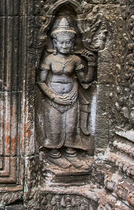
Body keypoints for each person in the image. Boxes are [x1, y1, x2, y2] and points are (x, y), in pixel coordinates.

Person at [38, 16, 95, 167]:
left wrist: (93, 64)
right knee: (55, 129)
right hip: (53, 99)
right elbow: (41, 81)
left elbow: (85, 81)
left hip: (72, 97)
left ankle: (71, 152)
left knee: (71, 128)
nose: (65, 45)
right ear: (55, 43)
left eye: (68, 42)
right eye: (61, 42)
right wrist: (53, 96)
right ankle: (54, 154)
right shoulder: (50, 59)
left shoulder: (75, 60)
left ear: (72, 43)